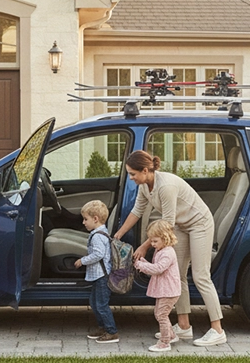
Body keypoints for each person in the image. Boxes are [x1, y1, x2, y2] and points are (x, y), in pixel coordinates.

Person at [114, 150, 226, 346]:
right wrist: (118, 234)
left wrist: (143, 246)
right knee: (178, 275)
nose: (131, 178)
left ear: (146, 170)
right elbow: (137, 211)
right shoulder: (144, 186)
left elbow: (166, 223)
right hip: (179, 226)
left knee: (201, 276)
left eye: (133, 174)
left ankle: (217, 330)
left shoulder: (166, 186)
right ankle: (184, 326)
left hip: (199, 223)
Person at [134, 220, 182, 352]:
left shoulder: (168, 253)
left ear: (165, 238)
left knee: (161, 315)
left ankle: (165, 342)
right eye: (151, 241)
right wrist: (143, 261)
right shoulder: (161, 250)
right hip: (164, 289)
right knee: (160, 313)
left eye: (155, 241)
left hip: (169, 290)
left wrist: (140, 265)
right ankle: (171, 335)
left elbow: (158, 268)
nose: (152, 244)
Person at [74, 200, 118, 343]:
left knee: (101, 304)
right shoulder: (100, 232)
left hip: (102, 276)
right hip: (99, 275)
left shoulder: (97, 236)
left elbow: (98, 254)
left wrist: (83, 260)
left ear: (95, 219)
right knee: (94, 302)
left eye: (85, 219)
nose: (83, 222)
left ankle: (112, 331)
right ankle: (103, 327)